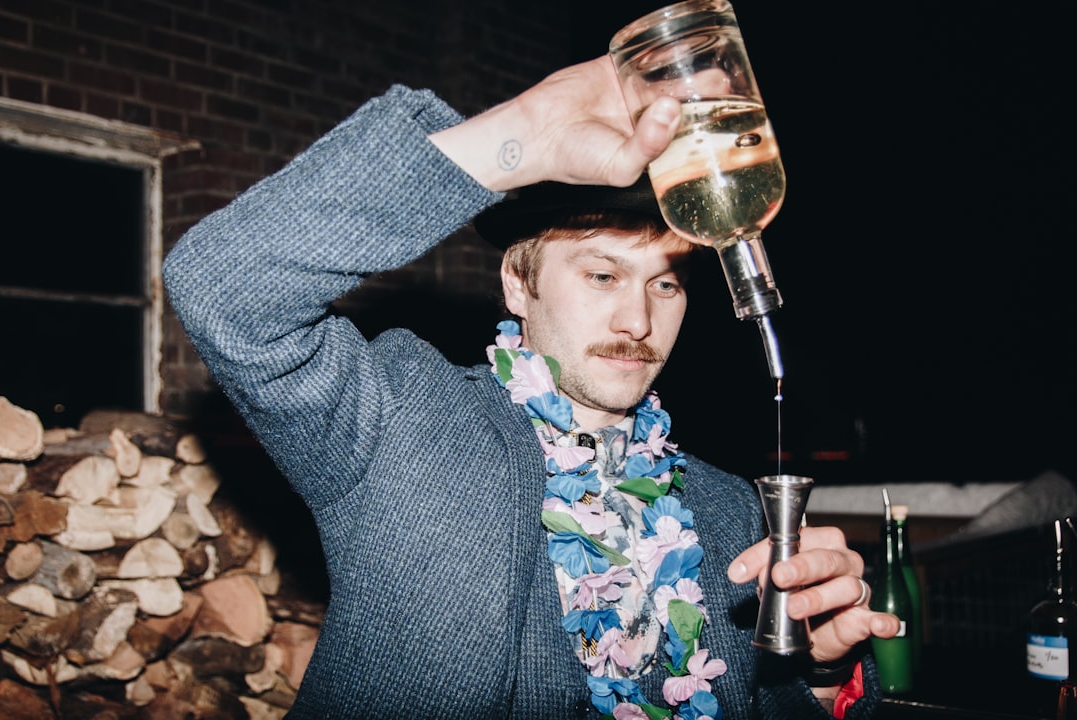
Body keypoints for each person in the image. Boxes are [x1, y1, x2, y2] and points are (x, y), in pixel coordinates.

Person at [163, 55, 899, 719]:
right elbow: (224, 286)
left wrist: (820, 676)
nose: (638, 318)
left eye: (666, 284)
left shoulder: (729, 506)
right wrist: (526, 129)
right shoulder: (401, 419)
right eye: (603, 274)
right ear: (518, 281)